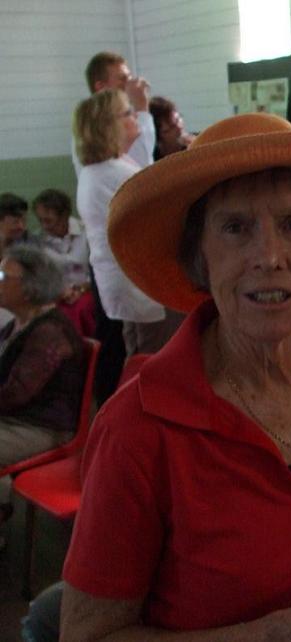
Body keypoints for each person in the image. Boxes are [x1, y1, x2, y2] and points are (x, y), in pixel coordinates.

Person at [59, 112, 291, 640]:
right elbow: (86, 635)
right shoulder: (137, 427)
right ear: (200, 255)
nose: (268, 257)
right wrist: (253, 637)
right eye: (236, 228)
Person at [74, 89, 182, 402]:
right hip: (139, 284)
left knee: (138, 356)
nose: (135, 118)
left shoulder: (108, 168)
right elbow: (163, 214)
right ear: (107, 125)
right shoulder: (111, 172)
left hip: (130, 283)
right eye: (128, 113)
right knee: (152, 361)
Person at [0, 245, 86, 530]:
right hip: (18, 416)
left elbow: (16, 394)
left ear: (29, 287)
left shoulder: (50, 332)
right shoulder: (19, 322)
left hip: (43, 425)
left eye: (3, 276)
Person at [71, 52, 154, 175]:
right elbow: (142, 167)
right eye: (122, 79)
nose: (130, 84)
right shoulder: (98, 125)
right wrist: (141, 107)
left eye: (130, 77)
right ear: (101, 87)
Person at [32, 189, 95, 337]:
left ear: (65, 215)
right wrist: (59, 291)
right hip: (57, 294)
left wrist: (83, 288)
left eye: (48, 221)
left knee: (82, 309)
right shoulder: (38, 241)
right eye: (40, 220)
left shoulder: (87, 232)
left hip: (88, 289)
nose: (44, 226)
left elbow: (98, 270)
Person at [148, 95, 196, 160]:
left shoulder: (196, 145)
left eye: (178, 119)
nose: (179, 127)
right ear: (158, 136)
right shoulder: (150, 157)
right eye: (171, 127)